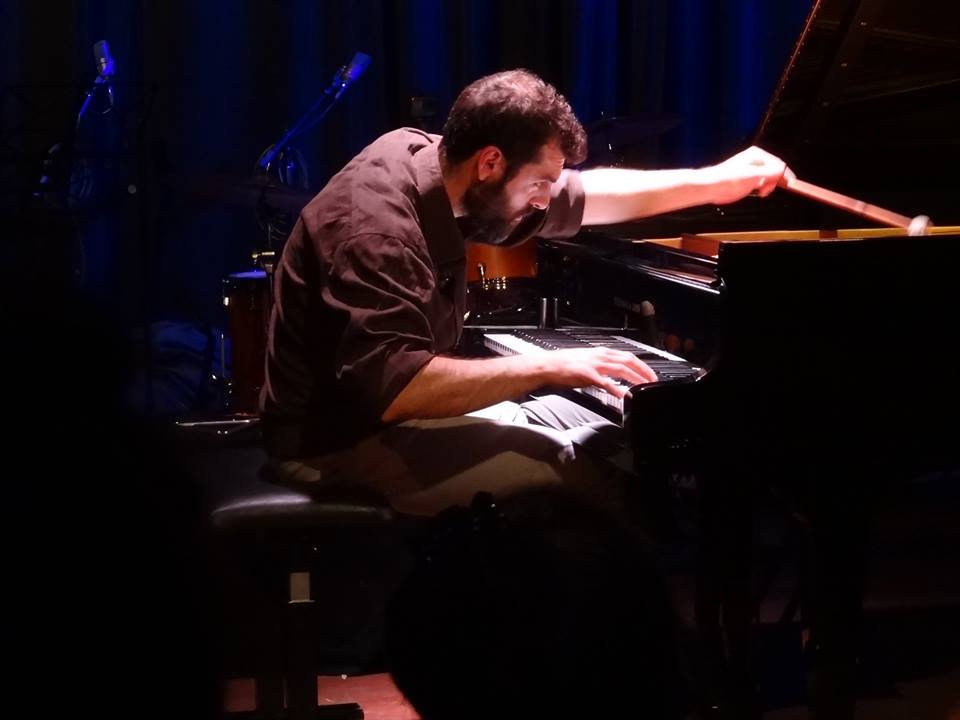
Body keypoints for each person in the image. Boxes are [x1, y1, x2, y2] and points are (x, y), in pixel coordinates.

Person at [259, 68, 792, 515]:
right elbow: (398, 388)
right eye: (538, 184)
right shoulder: (378, 231)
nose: (543, 201)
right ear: (490, 162)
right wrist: (548, 366)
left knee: (613, 440)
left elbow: (585, 196)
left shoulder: (441, 166)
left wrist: (718, 180)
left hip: (387, 418)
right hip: (337, 443)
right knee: (586, 482)